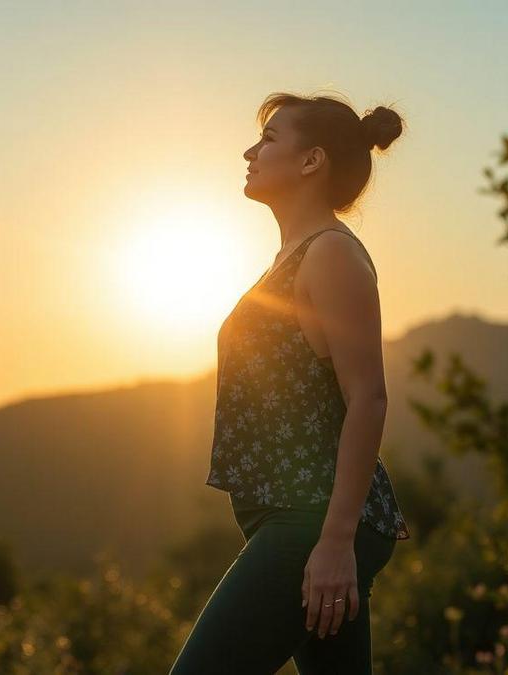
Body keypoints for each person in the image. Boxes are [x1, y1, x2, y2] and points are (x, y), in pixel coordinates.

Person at [170, 91, 410, 675]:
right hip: (296, 521)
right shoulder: (292, 257)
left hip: (311, 522)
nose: (250, 151)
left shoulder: (330, 254)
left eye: (270, 138)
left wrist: (334, 543)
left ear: (312, 161)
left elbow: (369, 399)